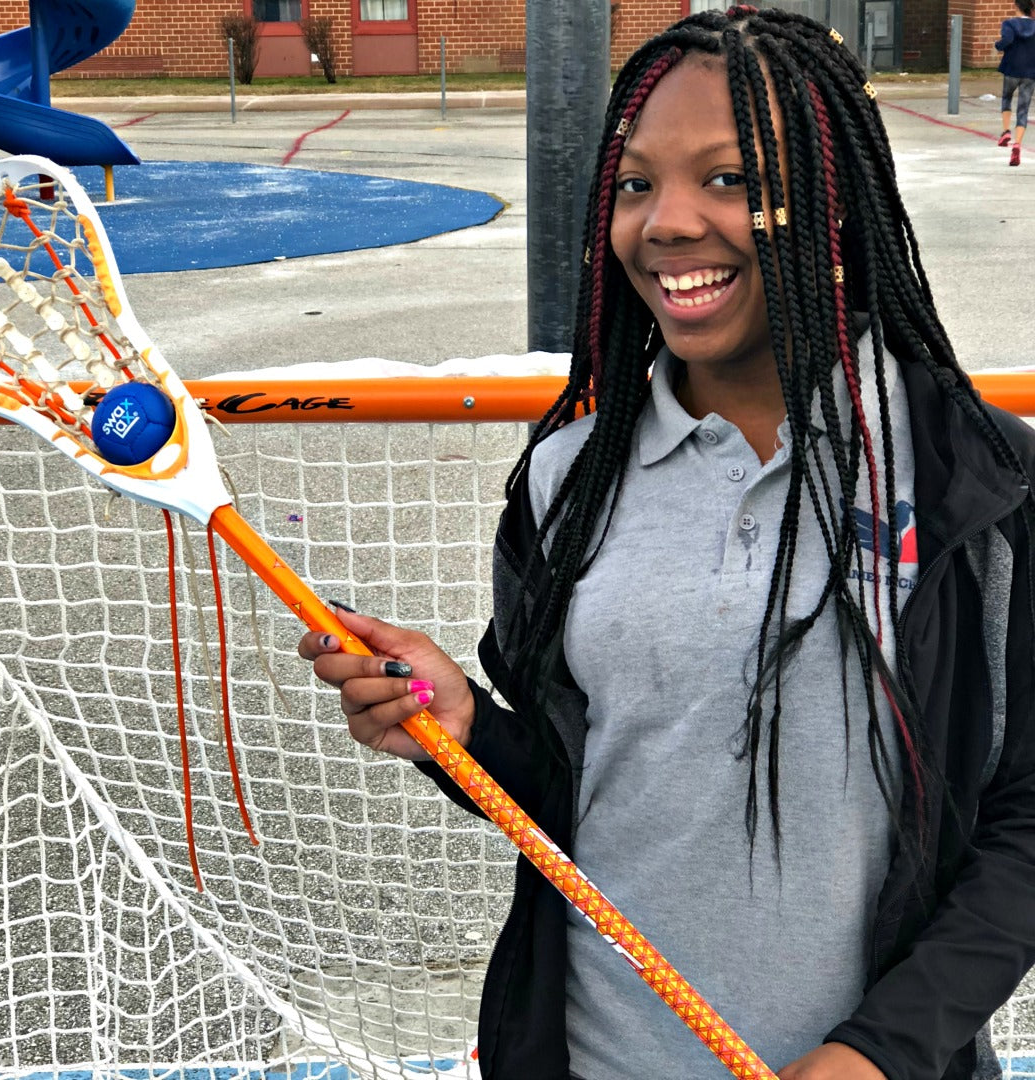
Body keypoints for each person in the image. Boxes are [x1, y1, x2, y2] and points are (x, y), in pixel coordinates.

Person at [299, 8, 1035, 1079]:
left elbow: (1023, 822)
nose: (667, 223)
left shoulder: (973, 475)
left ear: (839, 201)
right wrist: (464, 731)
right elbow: (584, 795)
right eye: (636, 184)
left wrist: (878, 1054)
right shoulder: (569, 480)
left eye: (731, 179)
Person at [995, 0, 1035, 165]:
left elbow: (1007, 40)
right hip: (1030, 71)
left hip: (1012, 68)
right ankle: (1017, 144)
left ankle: (1005, 131)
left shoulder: (1009, 24)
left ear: (1016, 7)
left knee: (1007, 98)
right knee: (1023, 109)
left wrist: (998, 45)